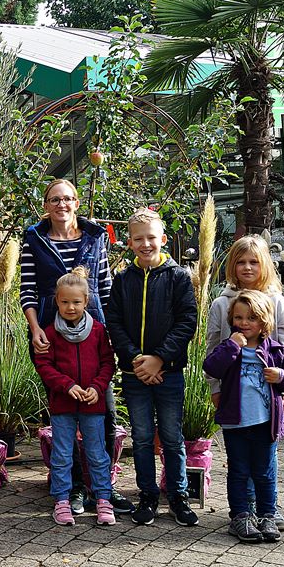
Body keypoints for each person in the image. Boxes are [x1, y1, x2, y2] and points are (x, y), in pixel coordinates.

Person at [20, 179, 133, 515]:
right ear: (46, 205)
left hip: (93, 332)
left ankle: (104, 489)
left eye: (68, 198)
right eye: (55, 199)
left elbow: (105, 287)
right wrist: (35, 327)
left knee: (104, 413)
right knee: (64, 415)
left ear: (77, 203)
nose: (62, 205)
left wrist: (112, 331)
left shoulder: (95, 238)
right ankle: (72, 491)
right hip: (51, 336)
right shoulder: (34, 240)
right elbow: (26, 288)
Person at [106, 208, 199, 527]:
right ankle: (146, 496)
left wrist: (159, 357)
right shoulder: (123, 280)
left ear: (162, 239)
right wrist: (136, 359)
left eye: (151, 238)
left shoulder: (178, 277)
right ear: (129, 243)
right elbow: (114, 322)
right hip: (134, 375)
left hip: (169, 372)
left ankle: (178, 496)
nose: (146, 244)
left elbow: (187, 321)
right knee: (143, 437)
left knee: (172, 437)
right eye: (138, 239)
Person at [206, 235, 284, 532]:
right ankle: (243, 513)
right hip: (233, 392)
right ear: (231, 266)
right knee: (240, 459)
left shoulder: (278, 302)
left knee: (264, 460)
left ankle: (267, 510)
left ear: (265, 266)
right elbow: (212, 349)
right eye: (241, 262)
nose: (247, 268)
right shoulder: (222, 304)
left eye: (254, 262)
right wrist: (215, 388)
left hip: (267, 396)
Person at [33, 268, 117, 527]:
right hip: (63, 405)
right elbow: (44, 366)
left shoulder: (98, 331)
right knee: (61, 454)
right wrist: (67, 386)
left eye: (76, 302)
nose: (71, 307)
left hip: (93, 404)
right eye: (65, 301)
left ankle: (103, 499)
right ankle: (61, 500)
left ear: (86, 302)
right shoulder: (49, 332)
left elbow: (107, 363)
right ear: (56, 301)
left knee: (97, 453)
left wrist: (97, 387)